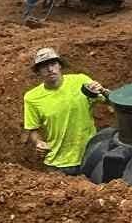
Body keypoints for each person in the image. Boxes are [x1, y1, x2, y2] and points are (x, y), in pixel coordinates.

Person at [22, 47, 108, 175]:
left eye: (53, 64)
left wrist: (103, 91)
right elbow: (33, 129)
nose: (50, 69)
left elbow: (111, 101)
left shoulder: (80, 81)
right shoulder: (32, 98)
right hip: (57, 165)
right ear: (38, 71)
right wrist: (39, 142)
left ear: (60, 65)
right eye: (44, 66)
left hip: (89, 159)